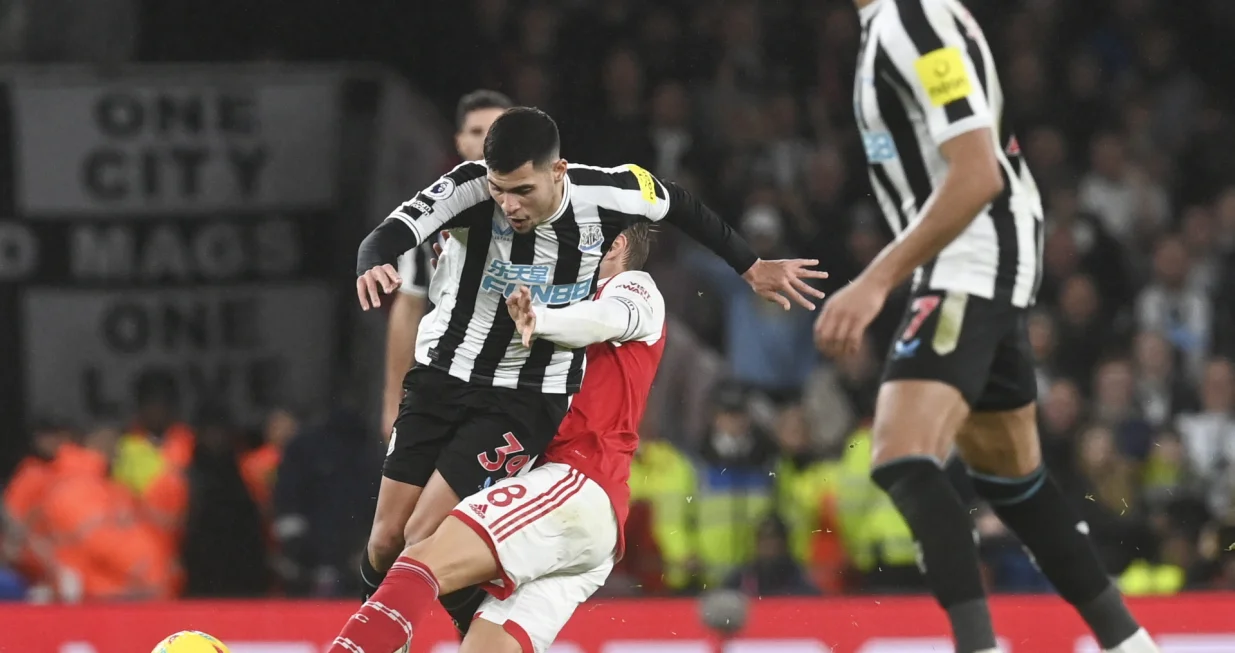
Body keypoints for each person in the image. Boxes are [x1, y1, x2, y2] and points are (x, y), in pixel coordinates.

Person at [356, 106, 827, 631]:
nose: (508, 205)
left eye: (522, 191)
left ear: (557, 172)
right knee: (385, 542)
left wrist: (752, 266)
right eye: (499, 190)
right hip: (442, 377)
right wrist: (372, 261)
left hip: (524, 395)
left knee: (426, 536)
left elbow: (681, 205)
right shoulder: (468, 188)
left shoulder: (610, 195)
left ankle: (398, 640)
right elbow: (391, 231)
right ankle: (446, 633)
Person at [813, 1, 1156, 652]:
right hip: (976, 261)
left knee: (900, 454)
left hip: (969, 260)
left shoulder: (909, 19)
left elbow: (976, 172)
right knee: (1013, 482)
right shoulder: (897, 24)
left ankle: (978, 646)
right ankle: (1131, 644)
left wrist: (873, 280)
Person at [330, 222, 667, 653]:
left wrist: (541, 318)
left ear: (615, 245)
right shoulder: (551, 295)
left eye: (586, 233)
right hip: (576, 525)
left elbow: (602, 319)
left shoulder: (633, 288)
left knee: (420, 555)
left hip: (574, 485)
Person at [382, 90, 513, 438]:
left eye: (497, 130)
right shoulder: (431, 215)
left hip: (524, 383)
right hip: (451, 379)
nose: (487, 141)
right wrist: (392, 398)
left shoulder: (549, 208)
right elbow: (409, 304)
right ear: (458, 142)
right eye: (476, 132)